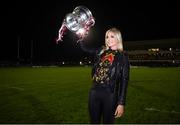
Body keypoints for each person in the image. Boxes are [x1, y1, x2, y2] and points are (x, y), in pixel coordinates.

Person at [79, 27, 130, 124]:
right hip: (94, 92)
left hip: (109, 94)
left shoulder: (123, 58)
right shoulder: (101, 51)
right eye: (107, 37)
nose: (108, 39)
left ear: (118, 38)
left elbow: (124, 81)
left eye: (112, 36)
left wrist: (121, 103)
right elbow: (85, 48)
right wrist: (81, 37)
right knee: (94, 122)